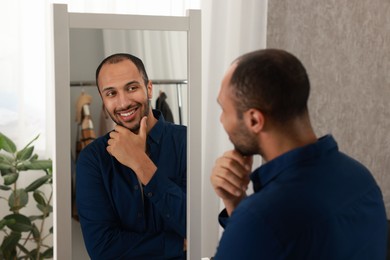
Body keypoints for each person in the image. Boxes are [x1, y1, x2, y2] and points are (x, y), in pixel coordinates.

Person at [210, 49, 387, 259]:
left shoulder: (261, 218)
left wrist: (244, 214)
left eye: (223, 109)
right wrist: (235, 203)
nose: (221, 120)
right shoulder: (361, 178)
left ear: (254, 120)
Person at [76, 53, 187, 259]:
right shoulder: (93, 159)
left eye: (131, 88)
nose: (124, 102)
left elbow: (197, 225)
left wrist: (140, 162)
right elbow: (102, 248)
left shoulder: (188, 142)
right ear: (103, 100)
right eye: (111, 93)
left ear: (149, 88)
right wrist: (178, 244)